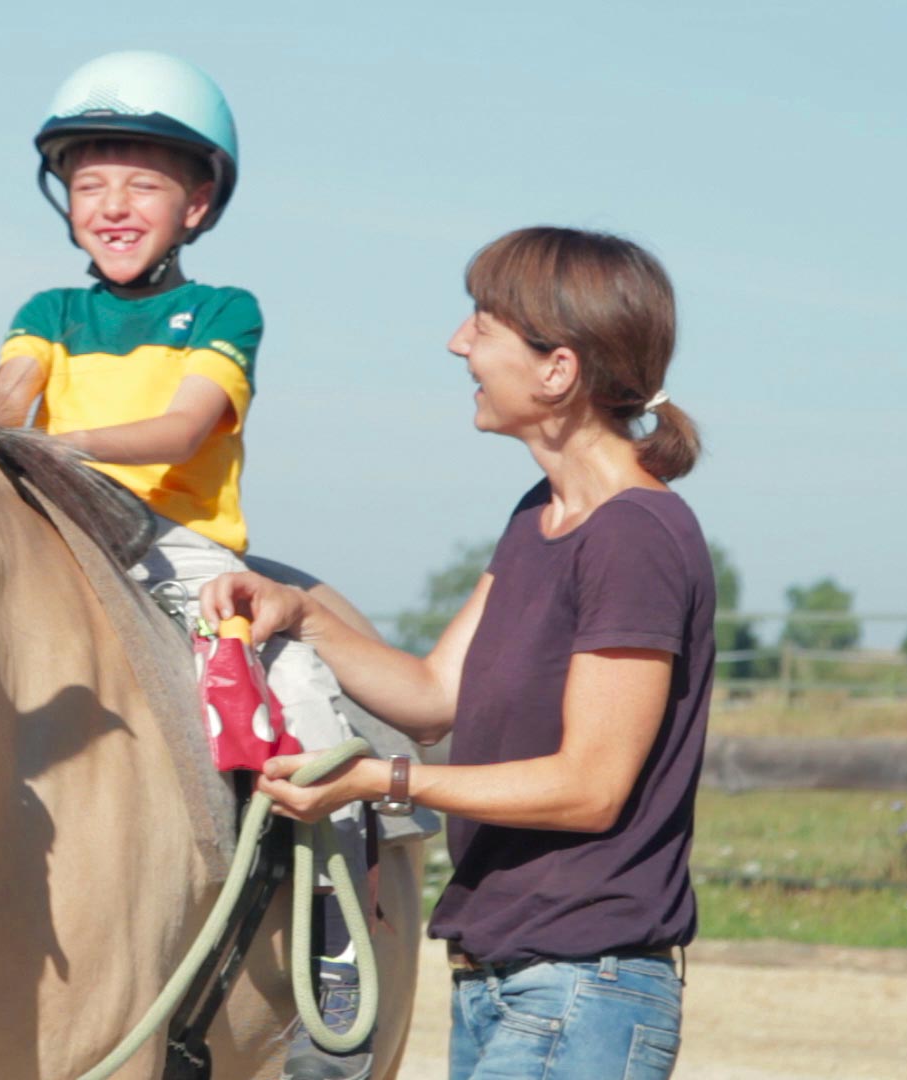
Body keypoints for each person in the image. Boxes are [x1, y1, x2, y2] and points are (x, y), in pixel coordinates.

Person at [0, 50, 428, 1080]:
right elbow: (5, 395)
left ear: (199, 199)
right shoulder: (47, 313)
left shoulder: (226, 312)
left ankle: (334, 934)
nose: (113, 204)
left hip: (180, 553)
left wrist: (52, 447)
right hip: (58, 531)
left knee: (306, 697)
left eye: (142, 182)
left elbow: (186, 427)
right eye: (90, 183)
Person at [201, 226, 711, 1080]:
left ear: (559, 370)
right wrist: (303, 616)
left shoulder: (634, 538)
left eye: (484, 322)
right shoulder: (538, 518)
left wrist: (379, 783)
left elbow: (589, 787)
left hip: (581, 991)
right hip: (506, 986)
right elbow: (437, 696)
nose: (457, 341)